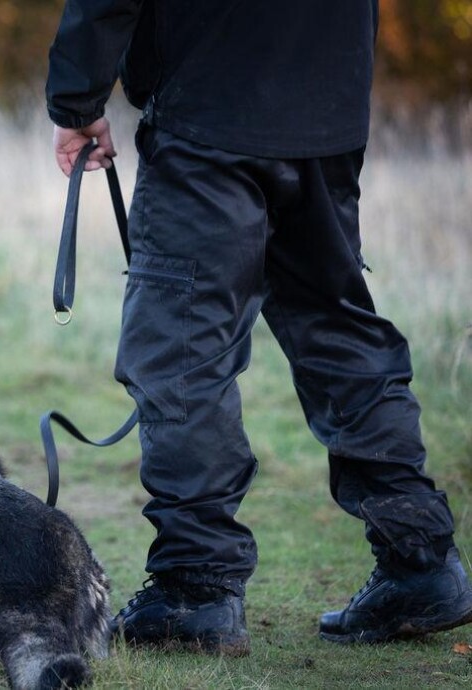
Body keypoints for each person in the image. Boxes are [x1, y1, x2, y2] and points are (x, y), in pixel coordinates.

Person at [46, 0, 472, 654]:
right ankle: (421, 561)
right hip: (328, 106)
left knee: (181, 348)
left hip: (210, 108)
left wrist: (76, 103)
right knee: (338, 331)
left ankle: (195, 588)